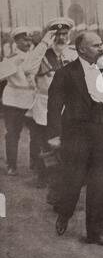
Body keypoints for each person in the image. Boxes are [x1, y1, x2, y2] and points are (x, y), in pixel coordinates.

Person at [47, 31, 103, 246]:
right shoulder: (65, 73)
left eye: (101, 44)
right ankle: (65, 212)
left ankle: (96, 232)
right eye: (96, 45)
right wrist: (54, 135)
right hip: (76, 133)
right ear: (81, 49)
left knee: (100, 182)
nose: (101, 48)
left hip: (102, 131)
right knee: (73, 179)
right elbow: (54, 106)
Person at [0, 27, 55, 175]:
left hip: (32, 100)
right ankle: (12, 165)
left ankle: (35, 161)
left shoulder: (36, 55)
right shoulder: (11, 57)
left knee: (35, 133)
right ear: (16, 40)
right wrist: (14, 63)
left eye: (29, 39)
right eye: (24, 39)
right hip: (14, 100)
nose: (27, 42)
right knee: (13, 133)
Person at [31, 18, 76, 191]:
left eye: (64, 34)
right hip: (44, 104)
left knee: (67, 141)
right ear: (51, 36)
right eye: (57, 34)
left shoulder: (73, 53)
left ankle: (65, 176)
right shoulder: (42, 53)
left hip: (67, 105)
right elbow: (29, 68)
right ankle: (43, 175)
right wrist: (43, 44)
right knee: (44, 142)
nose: (61, 37)